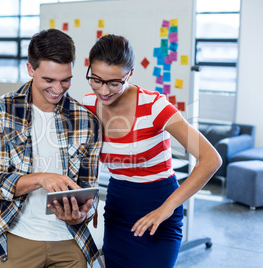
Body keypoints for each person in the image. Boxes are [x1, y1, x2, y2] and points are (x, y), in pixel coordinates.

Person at [83, 34, 222, 268]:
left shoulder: (155, 106)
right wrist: (87, 196)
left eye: (114, 83)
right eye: (96, 79)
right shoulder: (88, 105)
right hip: (118, 207)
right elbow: (83, 159)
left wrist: (167, 208)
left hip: (160, 207)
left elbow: (210, 159)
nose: (104, 91)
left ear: (130, 74)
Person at [0, 29, 102, 268]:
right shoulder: (0, 111)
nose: (58, 89)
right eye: (49, 80)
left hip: (70, 240)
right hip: (18, 238)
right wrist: (41, 179)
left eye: (65, 80)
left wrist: (84, 212)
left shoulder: (87, 121)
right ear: (30, 69)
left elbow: (89, 188)